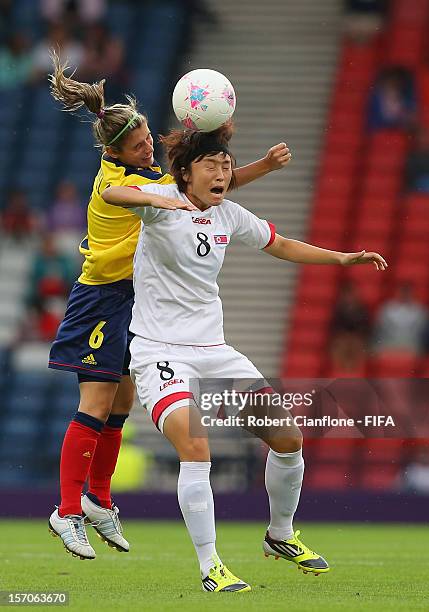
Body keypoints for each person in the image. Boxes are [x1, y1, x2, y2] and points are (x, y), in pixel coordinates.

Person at [102, 123, 387, 592]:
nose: (220, 173)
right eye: (210, 165)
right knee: (196, 447)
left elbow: (282, 245)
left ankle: (279, 534)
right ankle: (210, 566)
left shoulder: (228, 215)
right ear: (185, 173)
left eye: (226, 165)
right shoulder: (161, 204)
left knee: (288, 436)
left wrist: (341, 258)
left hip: (215, 350)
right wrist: (153, 199)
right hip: (159, 351)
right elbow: (114, 193)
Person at [46, 51, 293, 560]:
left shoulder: (150, 173)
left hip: (135, 303)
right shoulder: (118, 181)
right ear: (119, 150)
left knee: (120, 406)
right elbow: (123, 193)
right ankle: (67, 510)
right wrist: (158, 200)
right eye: (139, 146)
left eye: (147, 141)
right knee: (93, 405)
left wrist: (262, 168)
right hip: (100, 299)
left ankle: (98, 499)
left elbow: (208, 191)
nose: (148, 149)